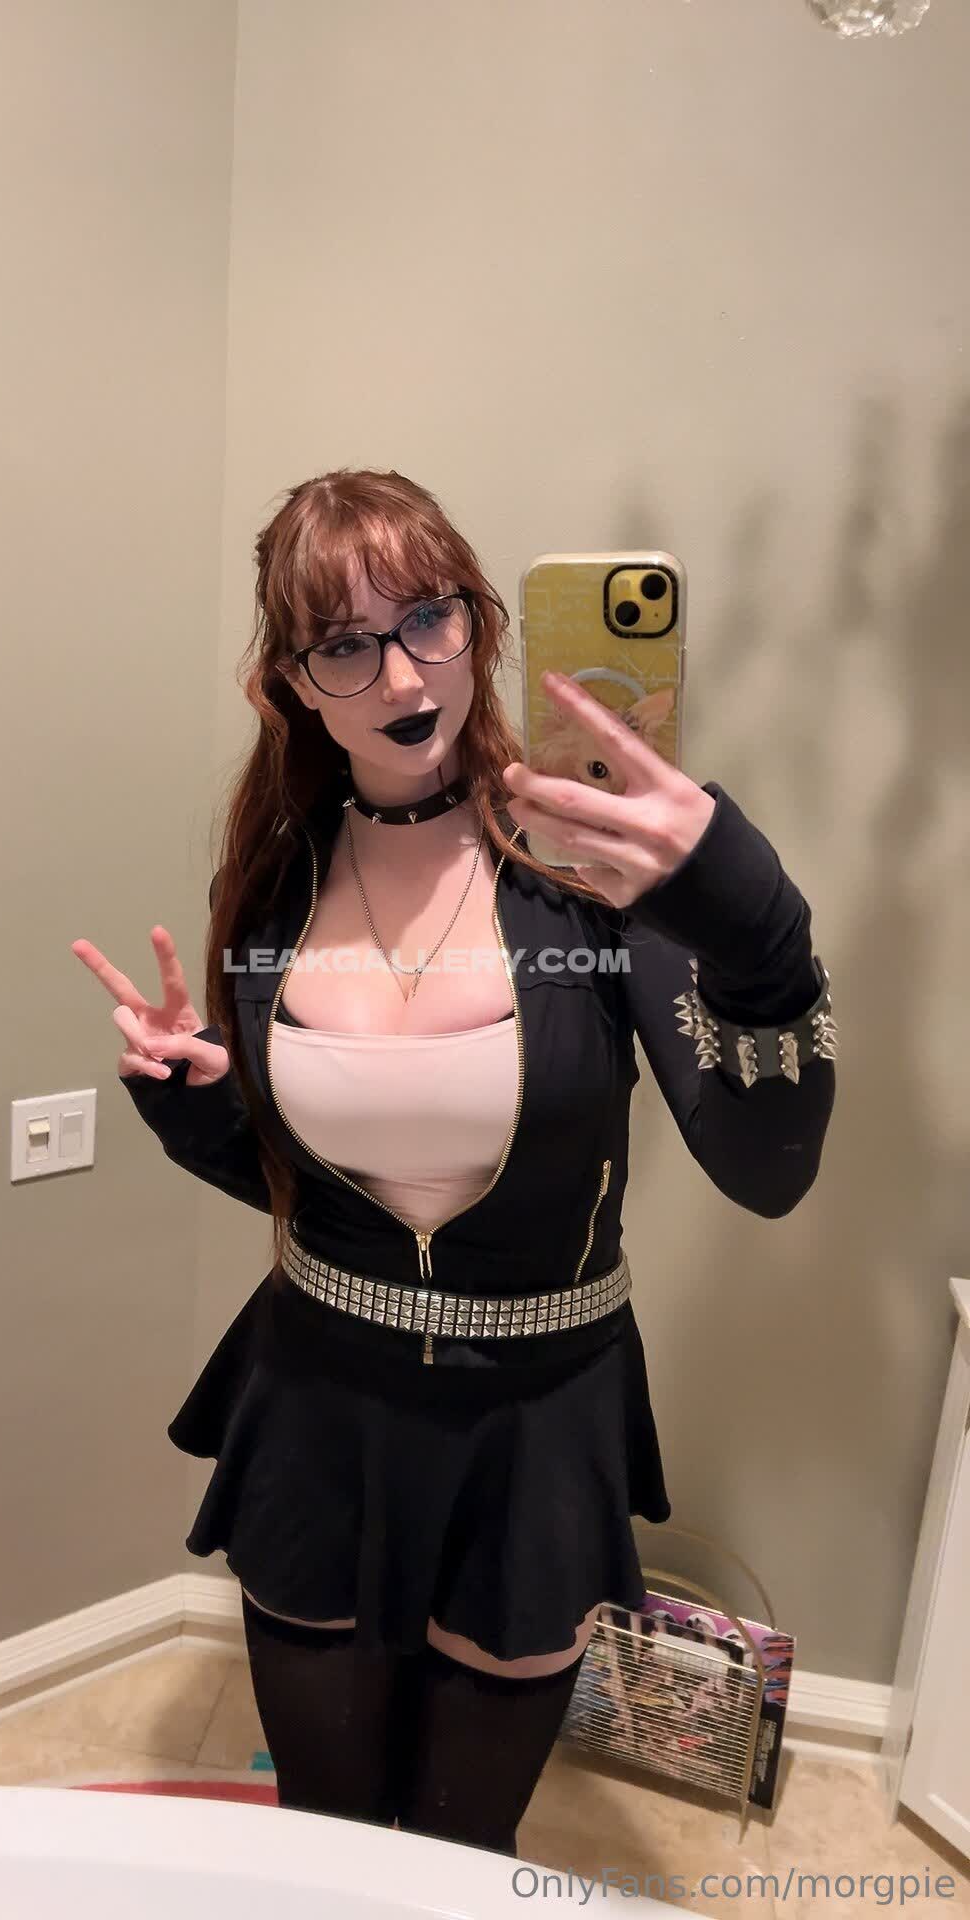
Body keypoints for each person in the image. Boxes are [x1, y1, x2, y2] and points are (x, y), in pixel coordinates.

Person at [72, 467, 836, 1859]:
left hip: (537, 1430)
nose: (401, 673)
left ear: (484, 625)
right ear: (292, 684)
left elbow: (766, 1164)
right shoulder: (275, 879)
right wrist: (195, 1104)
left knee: (457, 1857)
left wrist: (749, 917)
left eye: (429, 617)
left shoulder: (587, 870)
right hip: (315, 1408)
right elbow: (301, 1182)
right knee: (327, 1843)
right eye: (344, 643)